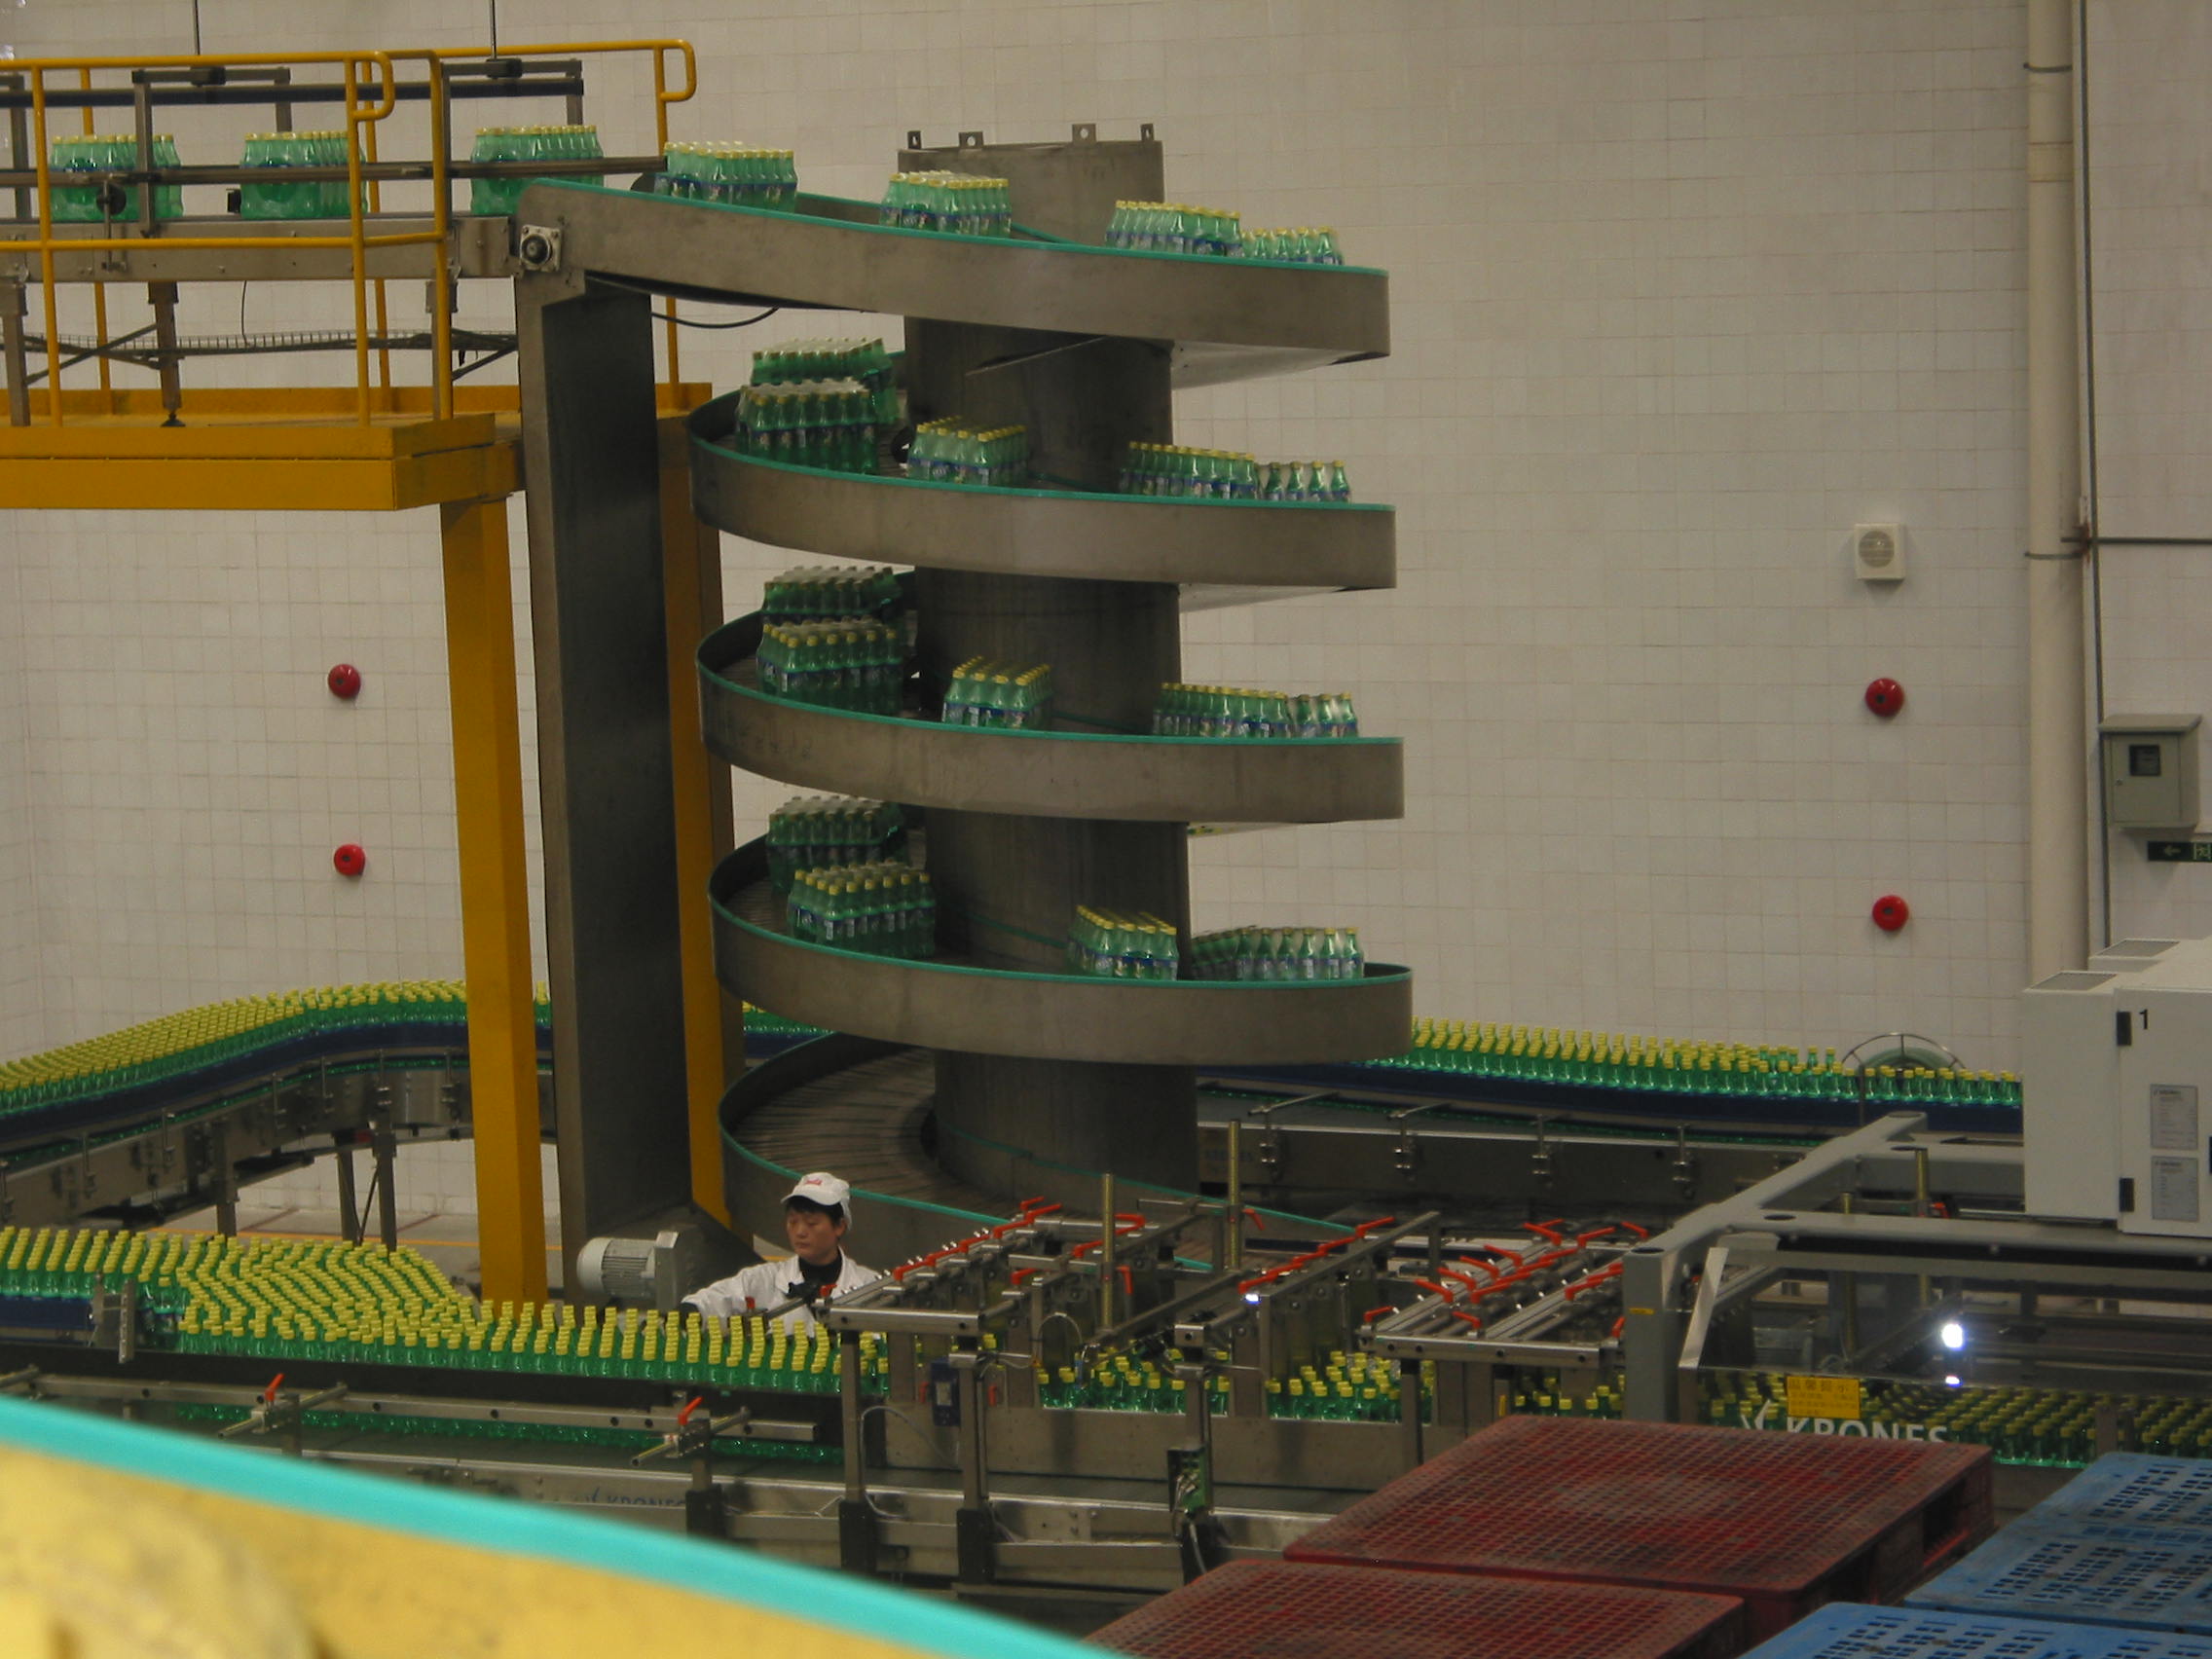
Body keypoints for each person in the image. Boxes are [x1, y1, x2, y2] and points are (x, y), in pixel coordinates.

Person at [682, 1171, 878, 1327]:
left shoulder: (868, 1285)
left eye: (811, 1222)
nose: (800, 1232)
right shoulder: (765, 1279)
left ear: (839, 1226)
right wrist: (692, 1310)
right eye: (793, 1221)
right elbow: (719, 1298)